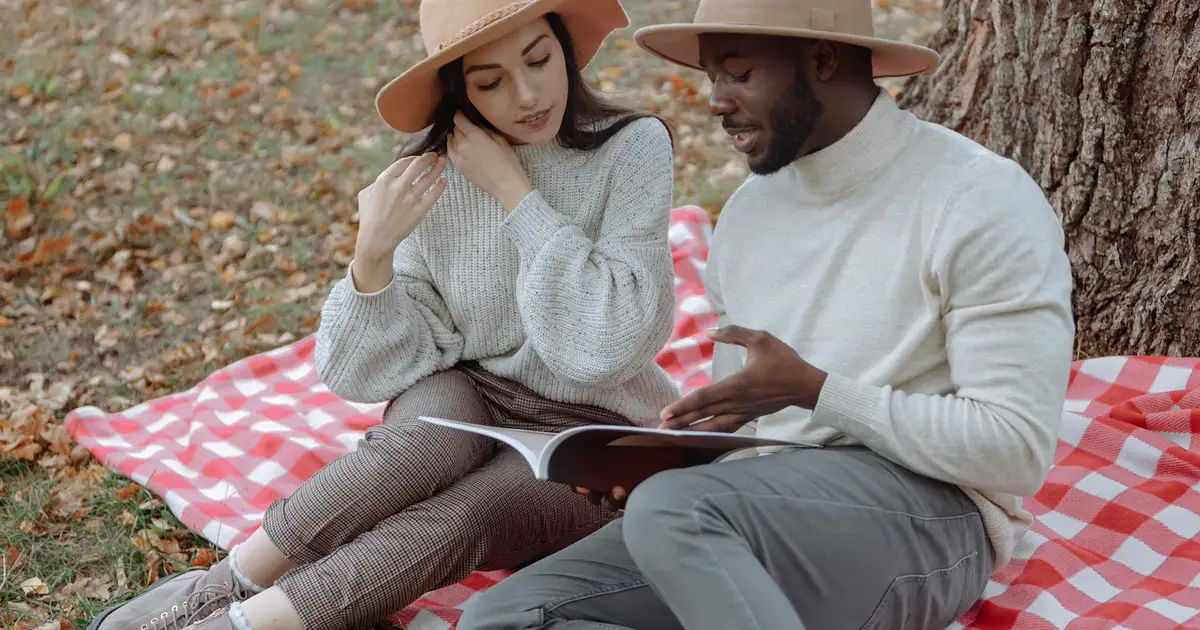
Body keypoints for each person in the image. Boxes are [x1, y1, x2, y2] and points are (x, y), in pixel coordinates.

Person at [457, 0, 1077, 628]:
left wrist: (818, 392)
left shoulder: (978, 199)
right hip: (756, 509)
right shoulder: (751, 213)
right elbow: (753, 434)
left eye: (739, 73)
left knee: (674, 511)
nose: (716, 101)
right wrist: (668, 458)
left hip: (933, 518)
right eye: (710, 76)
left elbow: (1015, 452)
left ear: (824, 59)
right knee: (502, 617)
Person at [89, 1, 682, 629]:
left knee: (471, 511)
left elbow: (608, 343)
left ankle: (242, 626)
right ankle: (226, 582)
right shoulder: (433, 176)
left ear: (565, 49)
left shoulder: (631, 150)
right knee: (412, 451)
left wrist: (516, 195)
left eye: (539, 60)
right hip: (479, 395)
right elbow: (361, 373)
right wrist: (370, 257)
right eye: (490, 81)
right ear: (458, 87)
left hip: (601, 432)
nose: (528, 93)